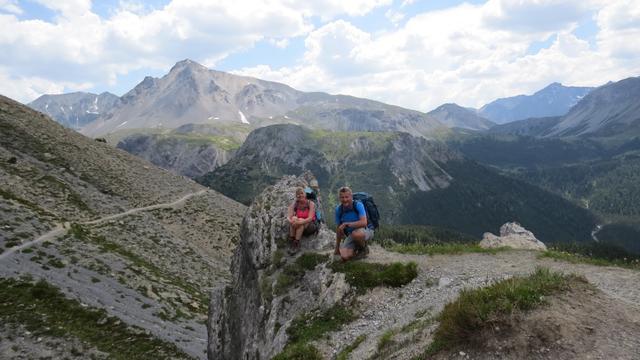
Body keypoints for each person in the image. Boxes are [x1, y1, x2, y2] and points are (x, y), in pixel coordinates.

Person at [334, 186, 374, 261]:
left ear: (351, 197)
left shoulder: (358, 205)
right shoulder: (338, 210)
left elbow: (364, 223)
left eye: (347, 197)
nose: (345, 200)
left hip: (366, 230)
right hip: (351, 234)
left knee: (357, 234)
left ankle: (363, 249)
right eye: (342, 197)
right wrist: (337, 248)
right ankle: (356, 247)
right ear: (339, 198)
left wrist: (347, 224)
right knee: (344, 256)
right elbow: (338, 229)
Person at [287, 187, 317, 254]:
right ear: (296, 196)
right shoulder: (295, 204)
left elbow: (310, 218)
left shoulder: (311, 204)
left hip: (310, 225)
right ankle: (292, 240)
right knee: (294, 218)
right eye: (298, 194)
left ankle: (296, 243)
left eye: (302, 193)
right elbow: (288, 217)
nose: (300, 195)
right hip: (299, 224)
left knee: (299, 220)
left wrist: (299, 222)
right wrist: (292, 221)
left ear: (305, 194)